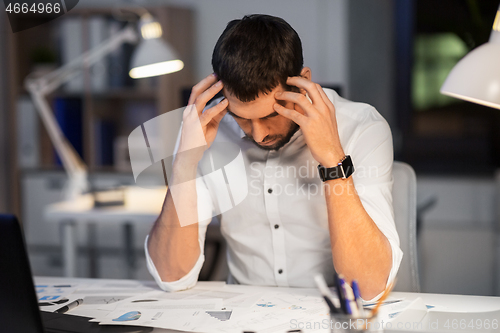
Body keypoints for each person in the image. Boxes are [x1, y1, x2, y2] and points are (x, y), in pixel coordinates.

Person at [145, 14, 402, 301]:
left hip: (331, 316)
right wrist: (184, 161)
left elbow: (369, 289)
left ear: (303, 81)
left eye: (270, 115)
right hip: (244, 317)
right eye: (241, 118)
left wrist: (332, 160)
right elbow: (172, 277)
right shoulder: (207, 130)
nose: (258, 135)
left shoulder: (361, 127)